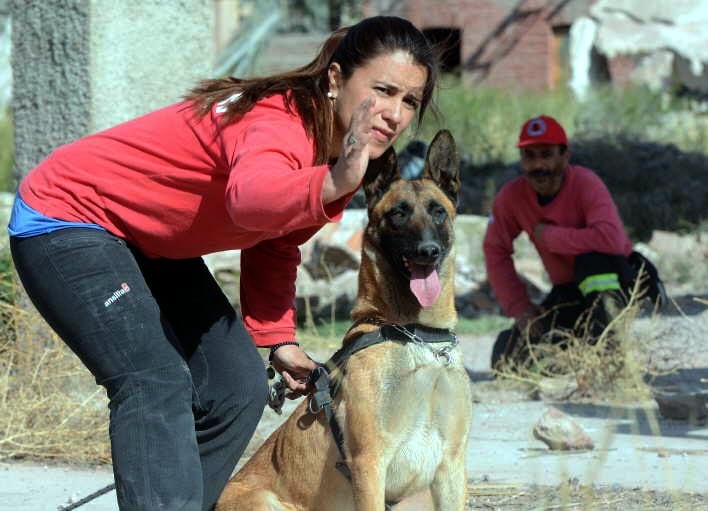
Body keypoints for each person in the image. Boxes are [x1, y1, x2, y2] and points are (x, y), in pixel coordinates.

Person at [8, 16, 438, 511]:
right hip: (66, 218)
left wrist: (279, 338)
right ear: (336, 80)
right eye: (383, 90)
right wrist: (333, 180)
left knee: (236, 385)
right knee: (154, 381)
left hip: (146, 240)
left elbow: (275, 242)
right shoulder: (278, 121)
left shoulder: (340, 153)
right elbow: (250, 199)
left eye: (410, 101)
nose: (394, 114)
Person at [484, 115, 665, 370]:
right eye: (529, 156)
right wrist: (520, 308)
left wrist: (550, 237)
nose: (538, 165)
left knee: (591, 263)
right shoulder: (511, 197)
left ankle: (608, 354)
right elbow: (495, 250)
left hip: (613, 280)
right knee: (508, 359)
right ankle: (576, 353)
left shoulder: (585, 182)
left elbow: (611, 239)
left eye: (546, 155)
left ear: (565, 155)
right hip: (569, 290)